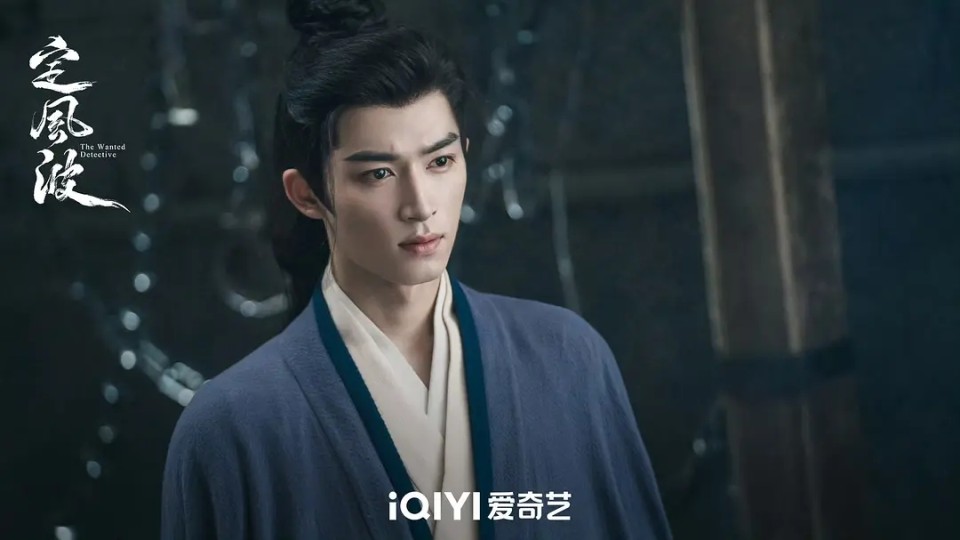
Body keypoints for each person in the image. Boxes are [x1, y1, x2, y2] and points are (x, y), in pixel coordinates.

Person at [160, 1, 672, 539]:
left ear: (466, 155)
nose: (420, 205)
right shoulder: (232, 426)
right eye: (378, 174)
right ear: (307, 194)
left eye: (440, 162)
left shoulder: (567, 359)